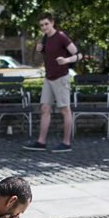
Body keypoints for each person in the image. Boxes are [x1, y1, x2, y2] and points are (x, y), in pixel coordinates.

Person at [22, 12, 82, 153]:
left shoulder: (61, 36)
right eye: (42, 25)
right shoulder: (44, 39)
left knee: (65, 110)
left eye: (46, 24)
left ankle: (66, 143)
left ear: (52, 23)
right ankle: (41, 142)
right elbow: (49, 56)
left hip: (61, 78)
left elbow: (78, 54)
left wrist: (66, 60)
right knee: (45, 108)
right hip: (49, 78)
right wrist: (40, 49)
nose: (44, 27)